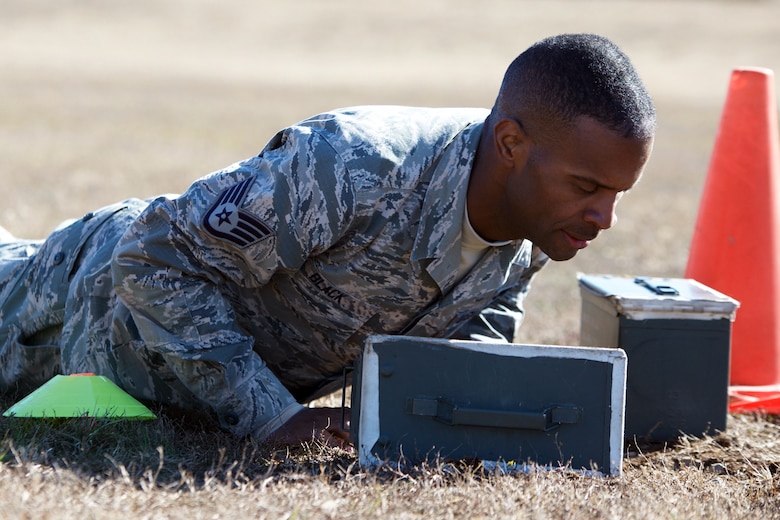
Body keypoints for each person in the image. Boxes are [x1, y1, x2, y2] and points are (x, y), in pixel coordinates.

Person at [0, 33, 655, 447]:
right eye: (587, 187)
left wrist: (459, 422)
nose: (604, 217)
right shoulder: (354, 167)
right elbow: (154, 257)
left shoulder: (541, 216)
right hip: (83, 307)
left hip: (172, 389)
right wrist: (269, 415)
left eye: (617, 194)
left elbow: (479, 321)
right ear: (511, 144)